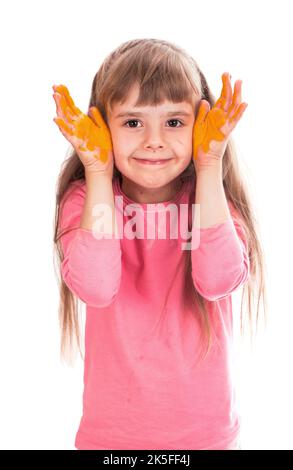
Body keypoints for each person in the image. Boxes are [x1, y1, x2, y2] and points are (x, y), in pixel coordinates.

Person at [52, 38, 267, 450]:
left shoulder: (213, 200)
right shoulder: (86, 200)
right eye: (133, 122)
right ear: (102, 127)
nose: (154, 140)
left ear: (199, 127)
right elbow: (95, 287)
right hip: (111, 442)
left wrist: (209, 165)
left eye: (174, 122)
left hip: (207, 439)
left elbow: (219, 279)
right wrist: (98, 170)